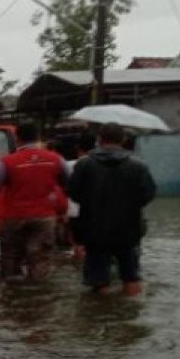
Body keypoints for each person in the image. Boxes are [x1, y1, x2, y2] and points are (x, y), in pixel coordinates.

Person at [68, 123, 156, 297]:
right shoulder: (139, 166)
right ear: (123, 140)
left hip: (94, 229)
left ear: (99, 140)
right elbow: (148, 195)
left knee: (98, 278)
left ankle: (102, 314)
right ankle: (129, 314)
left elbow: (73, 194)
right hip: (128, 229)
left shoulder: (84, 165)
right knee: (131, 276)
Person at [0, 122, 68, 283]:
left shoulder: (7, 162)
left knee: (11, 258)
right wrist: (63, 211)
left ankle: (12, 296)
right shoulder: (56, 159)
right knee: (40, 259)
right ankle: (40, 298)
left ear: (17, 139)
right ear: (38, 138)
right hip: (44, 217)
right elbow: (69, 184)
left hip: (14, 218)